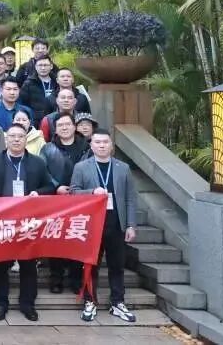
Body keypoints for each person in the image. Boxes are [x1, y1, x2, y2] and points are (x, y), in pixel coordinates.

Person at [0, 123, 56, 322]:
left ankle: (28, 304)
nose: (16, 140)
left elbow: (49, 186)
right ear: (6, 139)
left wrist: (37, 193)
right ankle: (0, 303)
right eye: (12, 136)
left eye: (20, 136)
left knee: (28, 265)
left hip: (28, 222)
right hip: (1, 222)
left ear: (26, 139)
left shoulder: (37, 163)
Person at [71, 128, 138, 323]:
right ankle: (90, 301)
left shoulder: (123, 168)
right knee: (91, 265)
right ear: (91, 146)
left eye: (105, 142)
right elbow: (73, 193)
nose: (101, 146)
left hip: (116, 223)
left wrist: (131, 225)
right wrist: (92, 192)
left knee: (117, 265)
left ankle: (117, 302)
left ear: (111, 145)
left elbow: (130, 198)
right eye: (97, 142)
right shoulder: (81, 167)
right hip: (92, 224)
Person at [42, 112, 91, 294]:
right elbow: (43, 171)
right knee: (56, 239)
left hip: (82, 200)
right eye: (60, 125)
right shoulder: (48, 148)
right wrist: (56, 187)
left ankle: (76, 279)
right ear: (55, 129)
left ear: (74, 127)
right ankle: (56, 278)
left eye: (67, 124)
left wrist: (80, 189)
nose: (64, 128)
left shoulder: (87, 147)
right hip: (57, 200)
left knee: (77, 238)